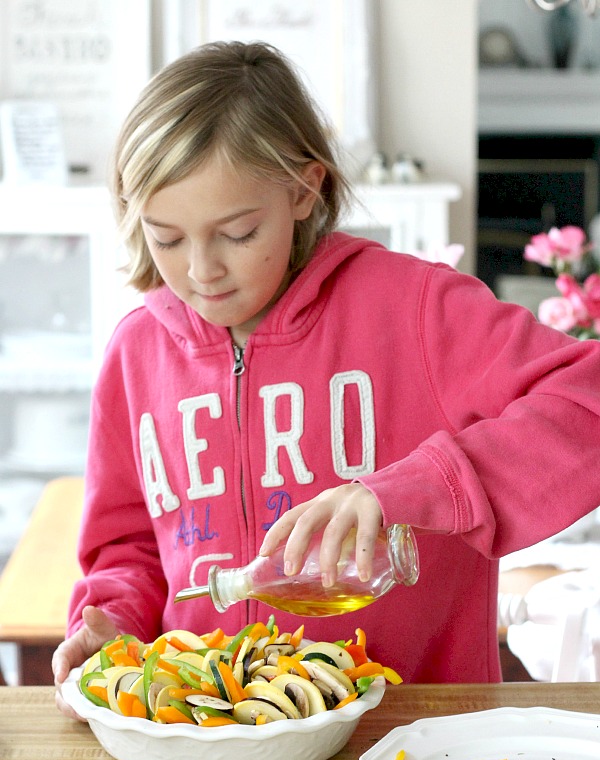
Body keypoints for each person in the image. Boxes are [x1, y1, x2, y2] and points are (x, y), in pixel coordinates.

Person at [53, 41, 600, 714]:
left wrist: (422, 486)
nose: (201, 270)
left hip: (412, 741)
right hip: (207, 739)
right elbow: (128, 548)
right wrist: (109, 625)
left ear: (305, 189)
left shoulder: (415, 309)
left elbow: (588, 399)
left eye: (238, 231)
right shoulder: (137, 352)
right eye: (166, 238)